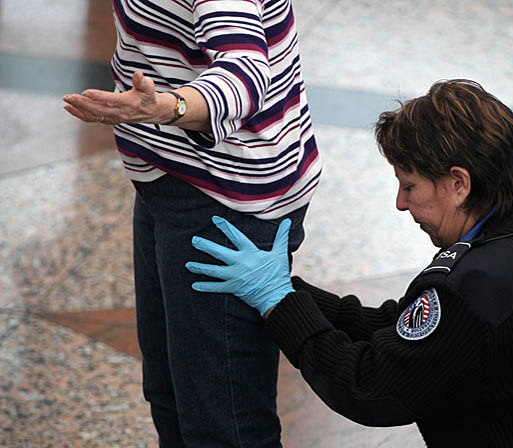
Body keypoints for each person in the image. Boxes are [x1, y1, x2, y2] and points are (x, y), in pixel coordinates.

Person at [186, 80, 513, 447]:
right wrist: (290, 292)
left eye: (409, 184)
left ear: (458, 184)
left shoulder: (482, 282)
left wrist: (277, 304)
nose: (401, 203)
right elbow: (406, 330)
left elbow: (372, 388)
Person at [63, 0, 321, 446]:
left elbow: (245, 74)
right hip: (170, 176)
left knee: (224, 424)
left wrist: (167, 107)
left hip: (225, 201)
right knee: (172, 398)